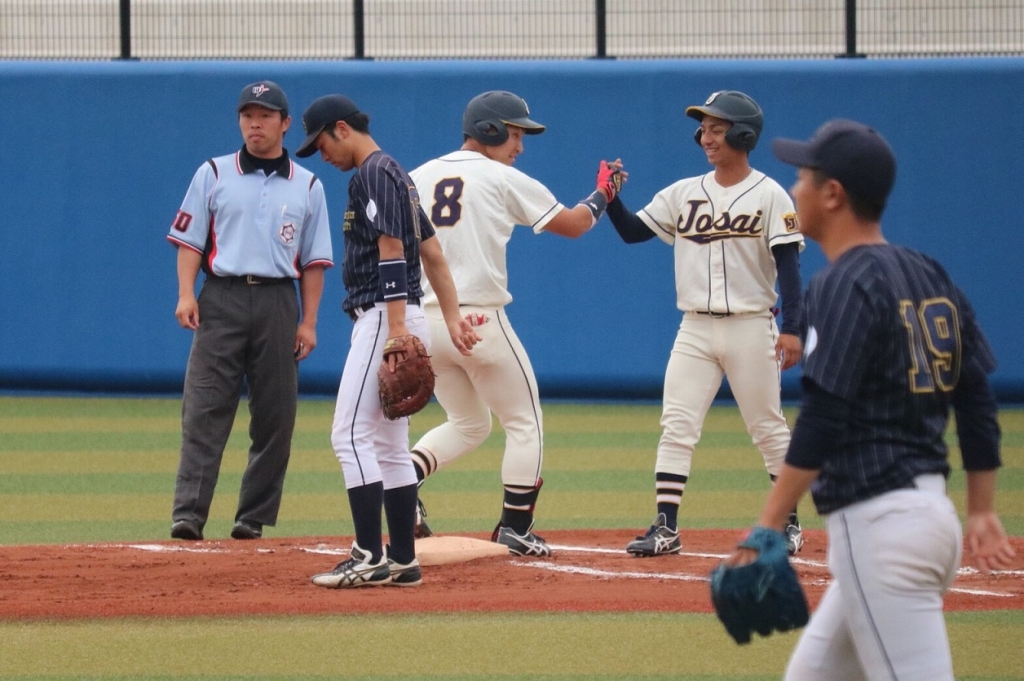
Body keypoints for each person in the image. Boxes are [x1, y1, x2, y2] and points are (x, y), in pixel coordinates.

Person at [723, 118, 1015, 679]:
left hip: (880, 528)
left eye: (803, 176)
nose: (793, 189)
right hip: (929, 518)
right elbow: (976, 395)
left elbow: (824, 416)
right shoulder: (929, 272)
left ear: (833, 194)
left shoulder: (841, 284)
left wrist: (767, 524)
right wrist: (980, 508)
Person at [407, 90, 621, 557]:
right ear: (489, 129)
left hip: (427, 320)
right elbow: (573, 224)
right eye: (515, 131)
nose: (520, 144)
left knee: (468, 422)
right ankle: (516, 529)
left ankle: (402, 486)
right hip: (479, 318)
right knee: (525, 421)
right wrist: (602, 194)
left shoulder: (417, 175)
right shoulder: (502, 176)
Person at [605, 90, 806, 557]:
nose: (706, 136)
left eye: (717, 128)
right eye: (704, 128)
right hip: (694, 328)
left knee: (767, 428)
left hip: (751, 325)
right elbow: (635, 232)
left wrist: (794, 328)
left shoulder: (770, 194)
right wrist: (612, 198)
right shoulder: (684, 192)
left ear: (743, 133)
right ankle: (666, 527)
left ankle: (789, 523)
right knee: (676, 424)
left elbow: (789, 269)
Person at [295, 94, 479, 588]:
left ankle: (368, 555)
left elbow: (394, 250)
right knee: (390, 444)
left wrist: (396, 329)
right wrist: (453, 316)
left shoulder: (373, 173)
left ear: (341, 129)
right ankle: (402, 559)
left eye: (321, 144)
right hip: (398, 315)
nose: (323, 155)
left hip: (384, 316)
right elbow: (434, 254)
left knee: (348, 434)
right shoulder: (396, 174)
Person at [166, 80, 334, 541]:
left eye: (264, 115)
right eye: (247, 115)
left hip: (279, 300)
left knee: (276, 415)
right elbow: (189, 242)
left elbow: (314, 262)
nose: (254, 123)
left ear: (284, 123)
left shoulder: (308, 184)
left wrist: (309, 320)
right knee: (204, 408)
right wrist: (186, 293)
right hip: (220, 295)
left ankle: (251, 518)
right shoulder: (214, 173)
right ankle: (189, 515)